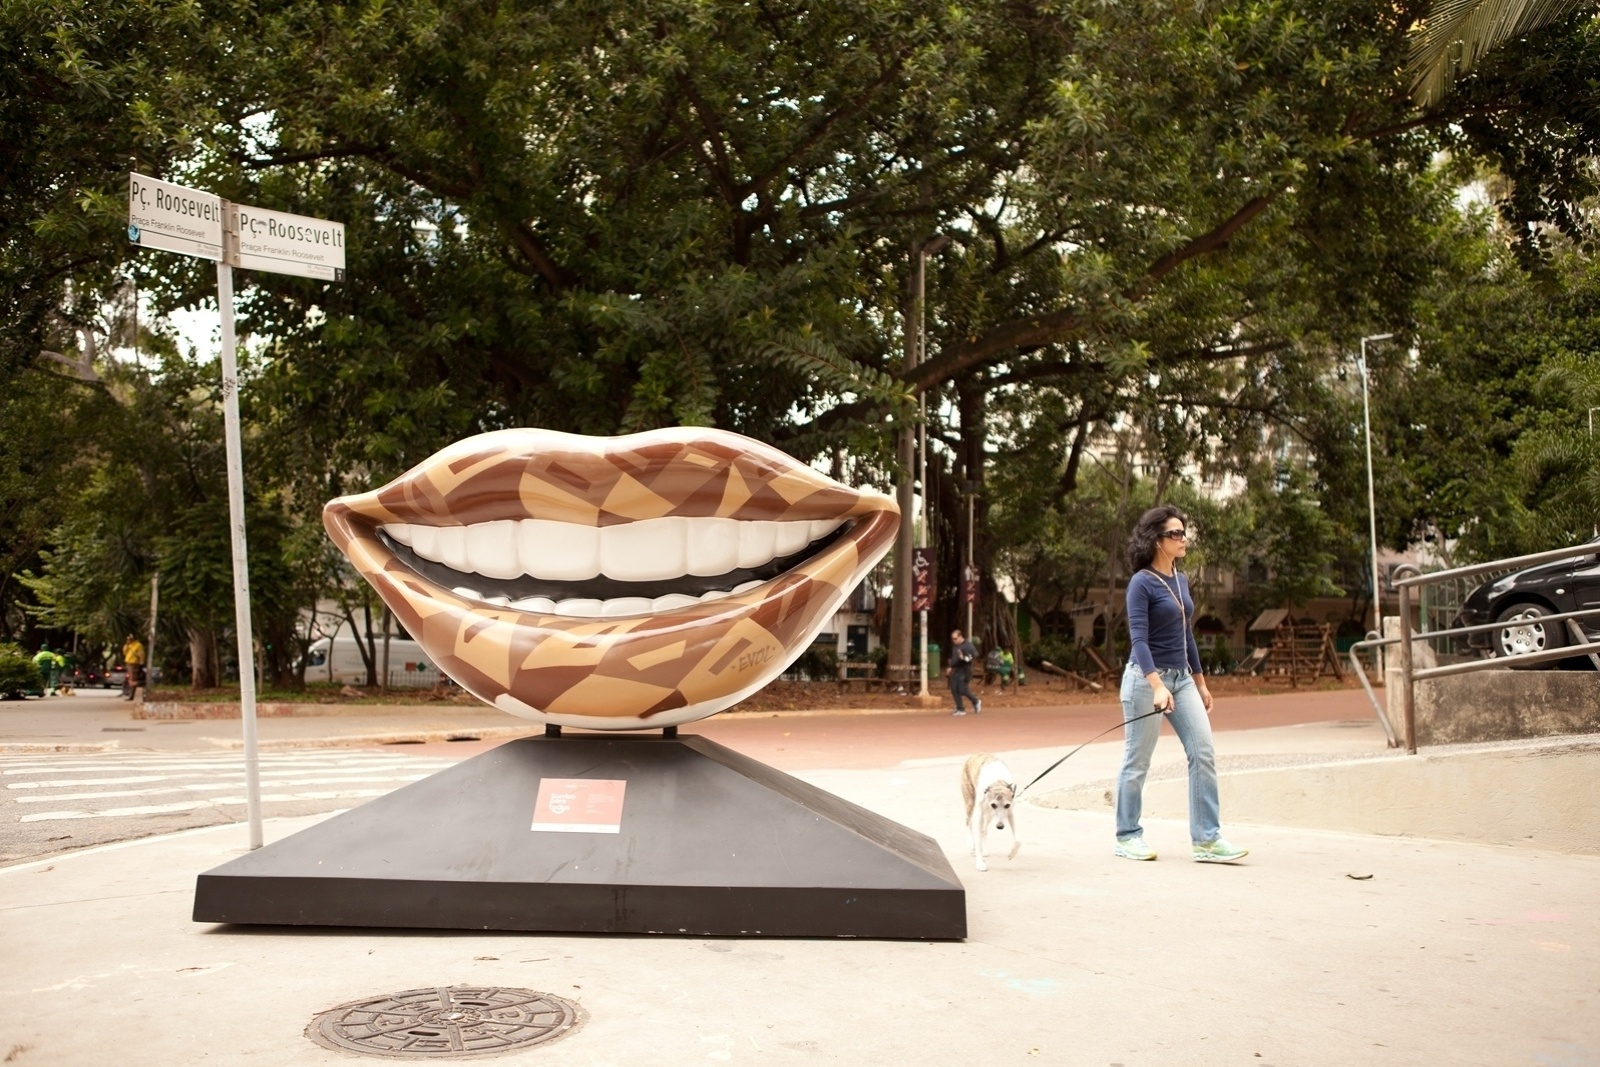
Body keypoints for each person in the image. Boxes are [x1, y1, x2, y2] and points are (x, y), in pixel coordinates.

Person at [1113, 505, 1247, 863]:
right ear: (1158, 540)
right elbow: (1139, 640)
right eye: (1176, 533)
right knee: (1138, 760)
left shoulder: (1181, 580)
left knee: (1202, 751)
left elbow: (1186, 634)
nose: (1183, 538)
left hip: (1182, 680)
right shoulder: (1141, 582)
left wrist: (1200, 682)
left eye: (1184, 532)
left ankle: (1207, 839)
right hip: (1146, 680)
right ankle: (1127, 836)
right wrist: (1157, 685)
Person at [945, 629, 981, 716]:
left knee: (962, 689)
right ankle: (960, 708)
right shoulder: (955, 646)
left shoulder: (968, 645)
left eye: (955, 638)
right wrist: (950, 667)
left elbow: (974, 656)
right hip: (956, 670)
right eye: (952, 639)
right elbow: (954, 659)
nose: (954, 641)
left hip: (965, 671)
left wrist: (964, 658)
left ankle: (976, 701)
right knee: (954, 689)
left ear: (960, 637)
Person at [121, 632, 146, 700]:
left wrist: (141, 663)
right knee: (129, 679)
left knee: (133, 679)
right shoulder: (129, 645)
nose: (128, 640)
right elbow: (124, 652)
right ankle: (129, 693)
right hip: (128, 663)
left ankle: (131, 695)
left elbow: (141, 655)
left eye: (129, 639)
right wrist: (126, 645)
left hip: (134, 664)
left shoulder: (138, 645)